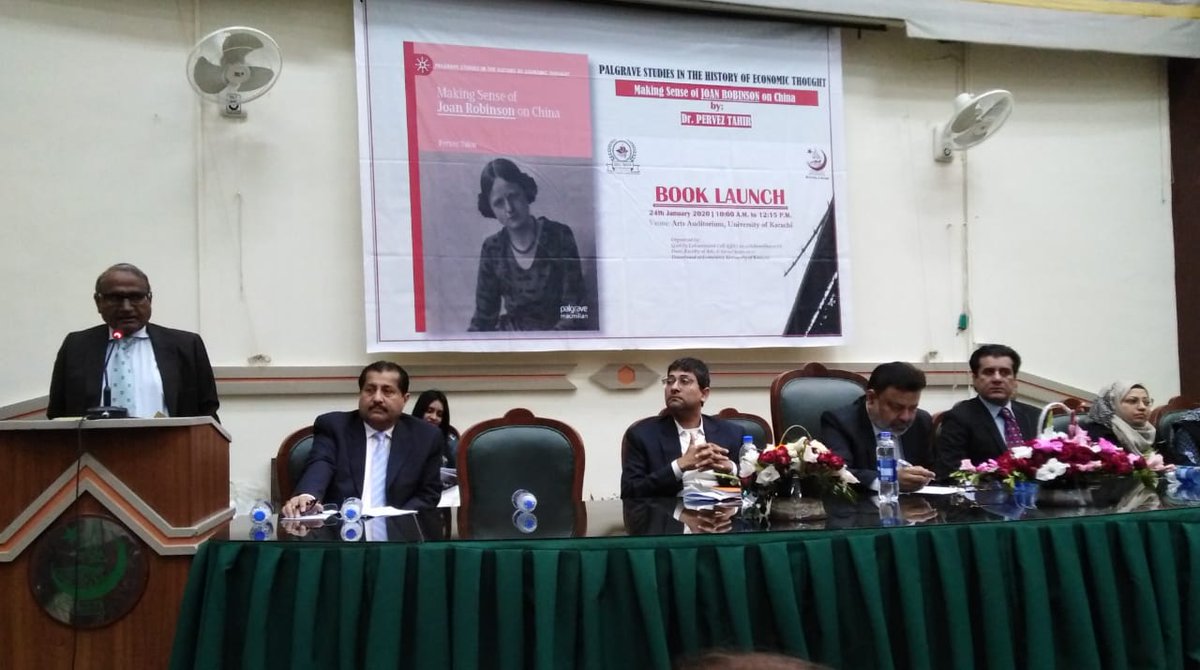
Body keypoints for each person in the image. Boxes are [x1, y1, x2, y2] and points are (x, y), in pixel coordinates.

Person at [47, 263, 219, 420]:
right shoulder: (76, 346)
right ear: (98, 302)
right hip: (94, 444)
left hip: (169, 443)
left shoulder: (186, 346)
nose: (126, 307)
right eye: (115, 298)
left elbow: (207, 413)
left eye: (136, 297)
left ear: (149, 300)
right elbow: (57, 413)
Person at [281, 361, 443, 517]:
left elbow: (428, 494)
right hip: (342, 529)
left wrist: (395, 520)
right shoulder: (334, 427)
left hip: (400, 530)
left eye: (387, 391)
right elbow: (321, 464)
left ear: (404, 399)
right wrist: (308, 496)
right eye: (370, 390)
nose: (377, 398)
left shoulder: (426, 437)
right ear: (360, 394)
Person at [468, 158, 592, 332]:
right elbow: (484, 318)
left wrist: (544, 343)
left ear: (525, 192)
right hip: (511, 341)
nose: (509, 208)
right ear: (490, 208)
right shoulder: (492, 248)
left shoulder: (559, 236)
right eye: (499, 203)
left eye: (513, 196)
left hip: (558, 340)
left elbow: (575, 311)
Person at [620, 357, 744, 498]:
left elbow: (755, 486)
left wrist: (731, 468)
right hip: (672, 510)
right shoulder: (642, 434)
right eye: (670, 381)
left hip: (723, 509)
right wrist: (678, 466)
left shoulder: (732, 432)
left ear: (704, 394)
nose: (674, 388)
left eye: (684, 381)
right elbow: (630, 492)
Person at [820, 362, 936, 493]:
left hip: (917, 502)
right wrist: (888, 479)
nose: (906, 417)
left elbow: (935, 470)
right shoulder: (840, 422)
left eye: (913, 408)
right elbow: (839, 472)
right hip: (865, 503)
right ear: (871, 398)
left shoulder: (921, 421)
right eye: (896, 407)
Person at [935, 344, 1040, 478]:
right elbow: (949, 471)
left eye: (1005, 372)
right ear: (975, 379)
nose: (997, 379)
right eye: (989, 372)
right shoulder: (958, 418)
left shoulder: (1034, 416)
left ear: (1015, 380)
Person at [1085, 382, 1157, 454]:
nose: (1142, 407)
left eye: (1147, 402)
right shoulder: (1097, 434)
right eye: (1132, 401)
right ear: (1112, 404)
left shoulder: (1152, 434)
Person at [412, 389, 460, 467]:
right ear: (420, 411)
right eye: (429, 411)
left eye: (439, 414)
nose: (434, 417)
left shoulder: (450, 441)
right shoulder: (405, 436)